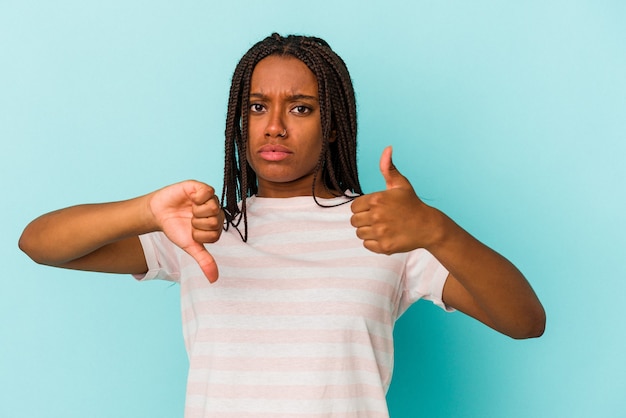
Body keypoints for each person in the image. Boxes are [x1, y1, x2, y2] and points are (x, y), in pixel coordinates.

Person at [19, 33, 545, 417]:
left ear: (333, 124)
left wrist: (437, 229)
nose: (273, 126)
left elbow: (525, 321)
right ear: (239, 121)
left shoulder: (387, 229)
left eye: (300, 108)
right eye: (257, 106)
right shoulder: (202, 228)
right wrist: (145, 211)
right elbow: (38, 243)